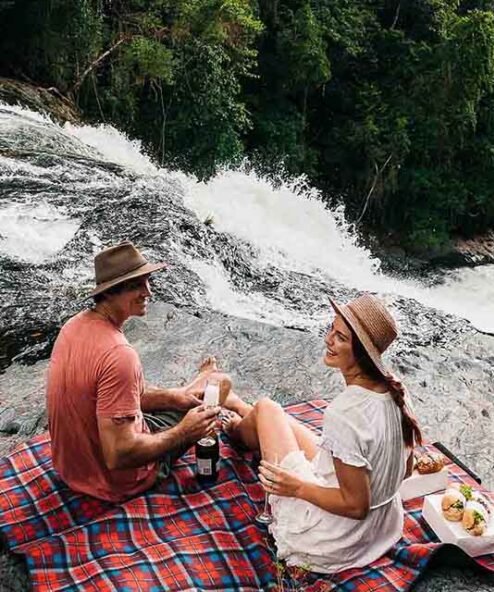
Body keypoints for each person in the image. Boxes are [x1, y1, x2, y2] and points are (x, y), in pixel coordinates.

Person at [223, 294, 422, 574]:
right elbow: (405, 471)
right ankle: (241, 408)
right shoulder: (397, 391)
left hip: (333, 539)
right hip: (381, 529)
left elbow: (355, 506)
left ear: (362, 353)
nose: (328, 339)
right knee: (275, 416)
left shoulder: (346, 412)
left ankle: (235, 428)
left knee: (268, 408)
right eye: (332, 328)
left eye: (340, 337)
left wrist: (296, 488)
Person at [46, 240, 226, 502]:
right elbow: (119, 454)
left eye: (147, 281)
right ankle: (203, 383)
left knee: (192, 396)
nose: (148, 292)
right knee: (221, 384)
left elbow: (114, 396)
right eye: (136, 286)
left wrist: (172, 398)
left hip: (72, 471)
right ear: (109, 293)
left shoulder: (72, 327)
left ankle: (190, 388)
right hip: (116, 482)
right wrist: (186, 432)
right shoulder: (119, 355)